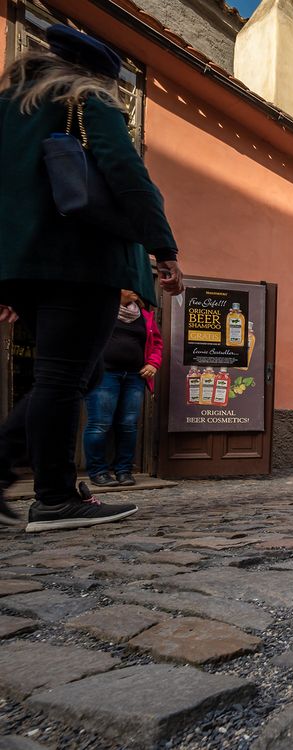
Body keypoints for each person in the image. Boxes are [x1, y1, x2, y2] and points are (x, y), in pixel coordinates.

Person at [0, 26, 184, 531]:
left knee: (70, 376)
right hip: (85, 262)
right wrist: (163, 247)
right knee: (66, 377)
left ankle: (38, 480)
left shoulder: (11, 113)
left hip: (32, 266)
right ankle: (55, 496)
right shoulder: (86, 101)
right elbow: (126, 175)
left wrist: (11, 280)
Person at [83, 290, 163, 487]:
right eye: (130, 286)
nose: (135, 290)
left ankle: (124, 471)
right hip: (104, 375)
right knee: (100, 424)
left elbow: (157, 344)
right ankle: (98, 472)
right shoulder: (99, 310)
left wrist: (153, 363)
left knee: (128, 425)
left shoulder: (144, 316)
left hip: (134, 376)